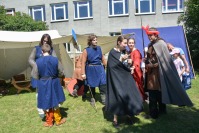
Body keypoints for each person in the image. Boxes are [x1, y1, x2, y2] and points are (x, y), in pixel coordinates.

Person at [142, 26, 193, 119]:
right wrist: (146, 60)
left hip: (160, 73)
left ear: (155, 34)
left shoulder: (161, 44)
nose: (149, 37)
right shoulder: (150, 45)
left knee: (156, 93)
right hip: (151, 74)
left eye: (151, 35)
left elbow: (163, 60)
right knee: (154, 92)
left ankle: (157, 112)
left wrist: (152, 65)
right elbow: (150, 58)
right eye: (148, 35)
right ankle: (157, 111)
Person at [105, 35, 143, 128]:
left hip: (125, 78)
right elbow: (111, 66)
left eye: (127, 43)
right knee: (117, 96)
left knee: (128, 94)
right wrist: (121, 59)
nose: (126, 45)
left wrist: (129, 63)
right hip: (115, 79)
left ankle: (129, 115)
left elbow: (125, 65)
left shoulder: (124, 51)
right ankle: (115, 120)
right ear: (119, 42)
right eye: (124, 43)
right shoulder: (112, 52)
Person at [33, 43, 66, 127]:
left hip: (43, 82)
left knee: (46, 101)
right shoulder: (55, 59)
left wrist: (40, 78)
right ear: (50, 50)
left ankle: (49, 122)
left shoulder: (37, 61)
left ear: (42, 51)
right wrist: (56, 76)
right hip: (54, 81)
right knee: (55, 100)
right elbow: (61, 72)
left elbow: (35, 74)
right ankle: (58, 120)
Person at [29, 34, 57, 119]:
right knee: (39, 93)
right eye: (44, 40)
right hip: (39, 74)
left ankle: (50, 110)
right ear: (41, 40)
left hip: (48, 75)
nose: (45, 42)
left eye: (47, 41)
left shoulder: (51, 49)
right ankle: (41, 111)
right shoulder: (36, 48)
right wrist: (36, 66)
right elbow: (30, 59)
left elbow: (55, 60)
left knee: (50, 92)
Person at [81, 34, 107, 105]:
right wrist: (83, 73)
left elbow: (102, 58)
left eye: (96, 40)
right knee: (92, 84)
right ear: (90, 41)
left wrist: (107, 64)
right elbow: (83, 62)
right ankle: (93, 98)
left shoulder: (99, 48)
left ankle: (104, 98)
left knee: (103, 82)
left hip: (100, 68)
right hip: (91, 69)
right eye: (94, 40)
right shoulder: (86, 50)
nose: (96, 41)